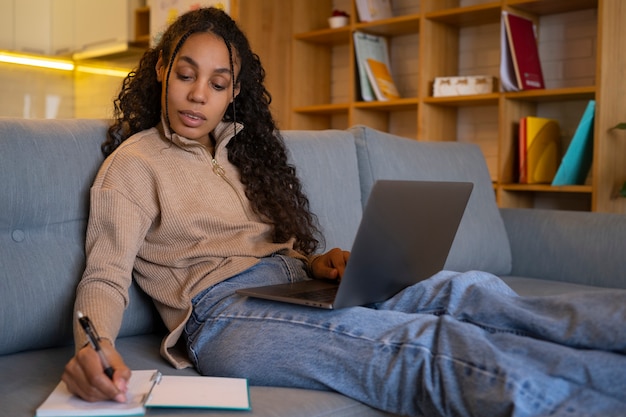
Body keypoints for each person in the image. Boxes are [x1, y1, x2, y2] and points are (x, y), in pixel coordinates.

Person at [62, 7, 626, 417]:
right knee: (419, 345)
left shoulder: (238, 152)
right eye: (186, 74)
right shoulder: (134, 165)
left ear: (233, 93)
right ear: (162, 69)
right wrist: (96, 346)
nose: (197, 95)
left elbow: (263, 249)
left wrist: (315, 264)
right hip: (223, 315)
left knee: (467, 290)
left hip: (290, 287)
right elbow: (105, 275)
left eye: (217, 83)